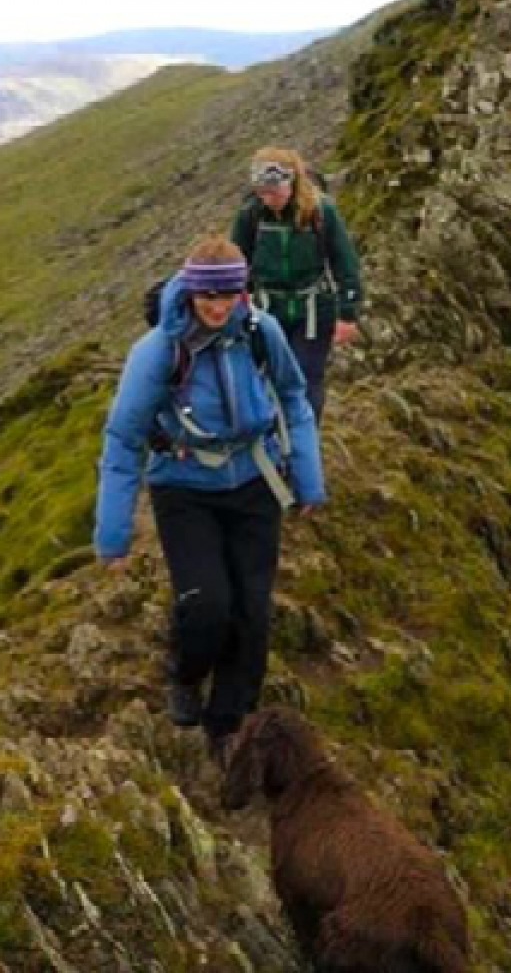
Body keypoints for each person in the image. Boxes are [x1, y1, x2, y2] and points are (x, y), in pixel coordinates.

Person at [95, 234, 326, 762]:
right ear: (191, 292)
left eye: (229, 295)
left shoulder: (260, 332)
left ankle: (227, 726)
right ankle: (186, 672)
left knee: (252, 614)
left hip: (254, 482)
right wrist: (114, 534)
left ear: (243, 291)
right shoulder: (160, 351)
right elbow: (124, 438)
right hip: (184, 489)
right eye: (209, 297)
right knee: (207, 605)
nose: (219, 307)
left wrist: (308, 479)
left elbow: (293, 397)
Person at [230, 148, 363, 425]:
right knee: (267, 373)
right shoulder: (251, 215)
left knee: (306, 375)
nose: (269, 200)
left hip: (314, 310)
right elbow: (238, 262)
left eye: (275, 192)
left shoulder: (321, 211)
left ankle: (304, 438)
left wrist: (347, 313)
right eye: (262, 193)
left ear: (292, 183)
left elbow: (344, 262)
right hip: (269, 309)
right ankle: (271, 435)